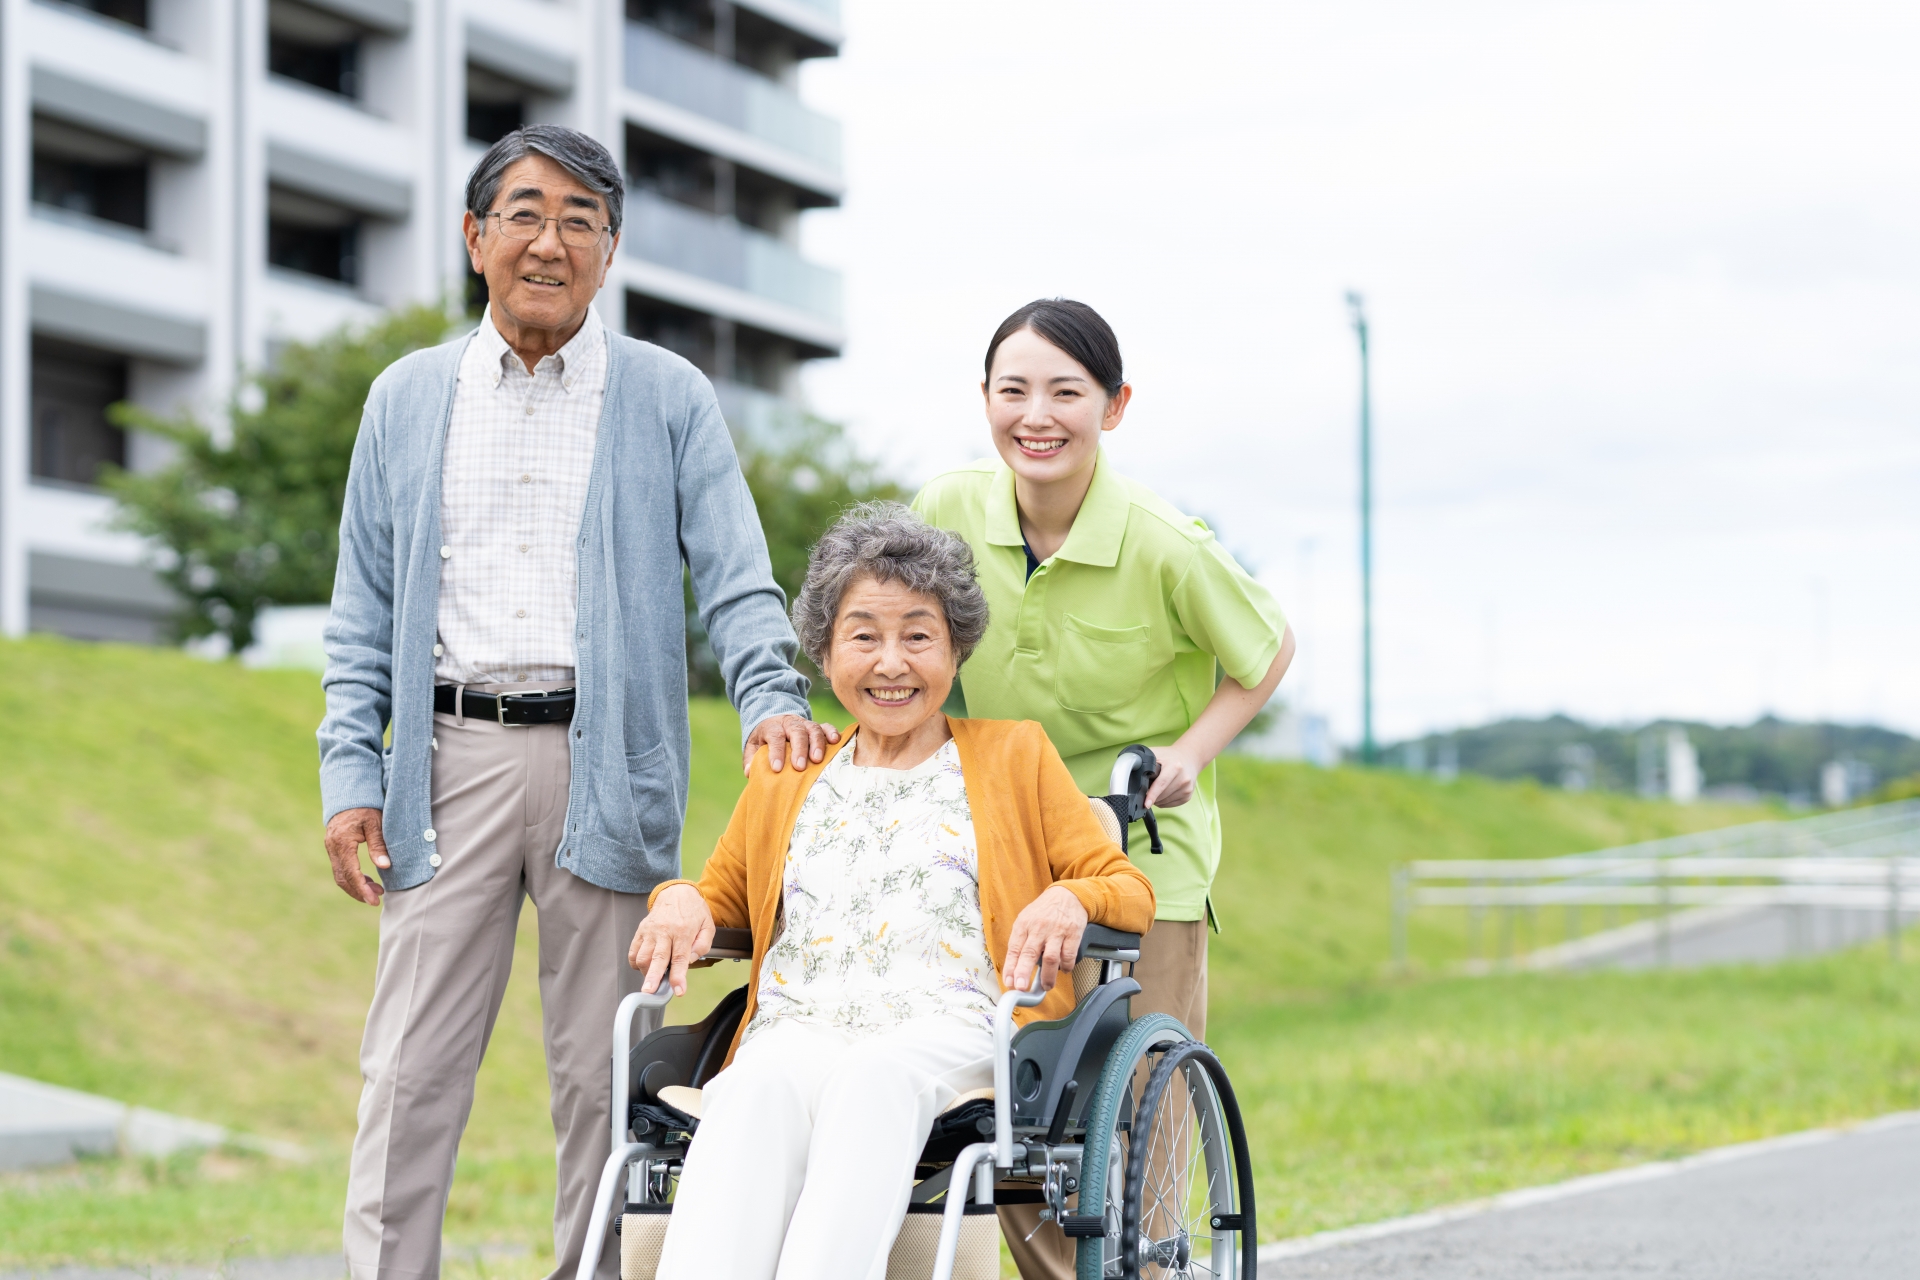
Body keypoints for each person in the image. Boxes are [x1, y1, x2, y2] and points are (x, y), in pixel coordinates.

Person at [316, 124, 836, 1280]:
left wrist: (769, 695)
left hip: (612, 765)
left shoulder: (666, 395)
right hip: (444, 761)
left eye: (580, 221)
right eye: (526, 213)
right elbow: (358, 610)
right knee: (409, 1069)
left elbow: (738, 573)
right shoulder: (405, 398)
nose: (550, 241)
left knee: (608, 1074)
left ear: (610, 249)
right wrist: (352, 772)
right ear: (474, 236)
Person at [629, 503, 1155, 1280]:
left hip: (948, 1027)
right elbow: (721, 898)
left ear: (955, 649)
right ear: (825, 649)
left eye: (918, 635)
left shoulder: (1016, 756)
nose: (890, 662)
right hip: (799, 1027)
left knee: (874, 1080)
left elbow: (1126, 888)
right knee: (750, 1092)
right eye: (864, 635)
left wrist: (1070, 898)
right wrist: (676, 899)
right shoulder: (791, 770)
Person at [913, 297, 1294, 1278]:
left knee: (1140, 1095)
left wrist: (1191, 753)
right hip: (1007, 839)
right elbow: (903, 638)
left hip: (1141, 842)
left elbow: (1265, 651)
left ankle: (1156, 1258)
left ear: (1113, 407)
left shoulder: (1167, 542)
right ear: (986, 401)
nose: (1036, 415)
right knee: (1018, 1094)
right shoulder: (948, 510)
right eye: (1014, 390)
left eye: (1065, 392)